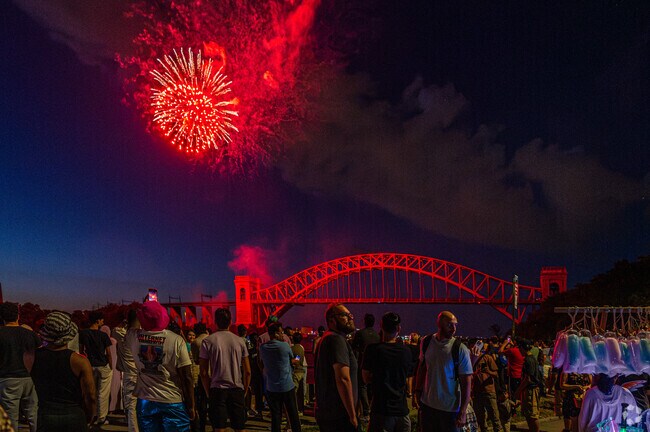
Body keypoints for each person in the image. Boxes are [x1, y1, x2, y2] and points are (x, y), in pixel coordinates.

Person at [127, 301, 195, 432]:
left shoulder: (133, 336)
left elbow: (132, 324)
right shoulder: (176, 340)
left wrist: (141, 312)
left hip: (145, 400)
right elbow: (187, 376)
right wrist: (191, 406)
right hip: (172, 400)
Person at [30, 311, 96, 431]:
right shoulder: (80, 362)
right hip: (74, 415)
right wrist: (90, 416)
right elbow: (90, 395)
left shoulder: (32, 357)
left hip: (46, 415)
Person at [412, 311, 472, 432]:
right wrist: (417, 391)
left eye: (455, 325)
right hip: (428, 406)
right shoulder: (426, 342)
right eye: (450, 325)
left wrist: (463, 411)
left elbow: (467, 382)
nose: (454, 329)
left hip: (450, 410)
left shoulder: (460, 349)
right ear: (439, 324)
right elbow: (422, 368)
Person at [199, 308, 251, 432]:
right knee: (240, 428)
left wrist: (208, 392)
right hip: (237, 388)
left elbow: (204, 372)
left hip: (217, 389)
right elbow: (248, 371)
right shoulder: (240, 341)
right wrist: (244, 390)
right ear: (231, 321)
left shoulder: (207, 341)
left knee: (219, 428)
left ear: (215, 321)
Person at [361, 312, 413, 432]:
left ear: (381, 326)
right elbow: (407, 377)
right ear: (399, 328)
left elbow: (365, 378)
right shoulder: (407, 352)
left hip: (381, 411)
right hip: (402, 412)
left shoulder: (372, 350)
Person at [314, 303, 358, 432]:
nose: (351, 318)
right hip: (339, 416)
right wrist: (352, 415)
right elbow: (343, 379)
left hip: (329, 413)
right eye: (346, 315)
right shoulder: (336, 340)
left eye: (351, 315)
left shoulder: (327, 338)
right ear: (332, 320)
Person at [0, 302, 40, 432]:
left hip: (7, 378)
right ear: (18, 316)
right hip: (30, 378)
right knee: (33, 414)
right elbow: (39, 353)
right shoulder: (30, 333)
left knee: (10, 417)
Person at [259, 323, 302, 432]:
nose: (283, 335)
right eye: (281, 332)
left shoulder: (263, 348)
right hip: (287, 385)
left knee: (276, 416)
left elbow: (261, 363)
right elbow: (294, 361)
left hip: (272, 387)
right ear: (275, 334)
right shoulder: (284, 346)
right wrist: (299, 355)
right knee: (293, 414)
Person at [79, 310, 113, 425]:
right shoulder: (103, 335)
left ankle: (90, 416)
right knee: (102, 393)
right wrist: (111, 366)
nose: (103, 322)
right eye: (102, 320)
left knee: (90, 393)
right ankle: (101, 417)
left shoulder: (83, 333)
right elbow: (108, 353)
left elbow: (81, 351)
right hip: (103, 366)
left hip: (90, 365)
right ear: (97, 321)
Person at [114, 309, 141, 432]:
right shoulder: (142, 335)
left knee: (131, 407)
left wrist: (124, 323)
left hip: (130, 375)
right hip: (143, 374)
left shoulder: (121, 333)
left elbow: (115, 330)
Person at [352, 313, 380, 421]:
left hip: (363, 364)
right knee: (372, 387)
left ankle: (366, 411)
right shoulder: (377, 335)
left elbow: (353, 347)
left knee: (362, 387)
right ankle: (372, 409)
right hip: (375, 365)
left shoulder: (360, 333)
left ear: (364, 321)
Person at [472, 341, 501, 432]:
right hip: (477, 392)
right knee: (480, 418)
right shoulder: (471, 359)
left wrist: (488, 371)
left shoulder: (487, 358)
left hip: (488, 391)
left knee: (494, 417)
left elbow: (496, 373)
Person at [515, 340, 543, 432]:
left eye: (519, 348)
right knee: (528, 413)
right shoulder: (532, 358)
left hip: (531, 389)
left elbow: (528, 378)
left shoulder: (528, 359)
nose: (519, 350)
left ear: (523, 348)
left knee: (532, 414)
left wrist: (518, 390)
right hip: (531, 389)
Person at [189, 323, 210, 432]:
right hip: (213, 374)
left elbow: (196, 360)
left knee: (202, 401)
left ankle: (202, 426)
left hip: (202, 374)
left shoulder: (195, 342)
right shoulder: (212, 339)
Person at [290, 332, 307, 412]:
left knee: (294, 393)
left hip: (296, 371)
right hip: (301, 371)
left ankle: (295, 410)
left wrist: (289, 362)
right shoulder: (301, 347)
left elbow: (297, 360)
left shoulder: (294, 348)